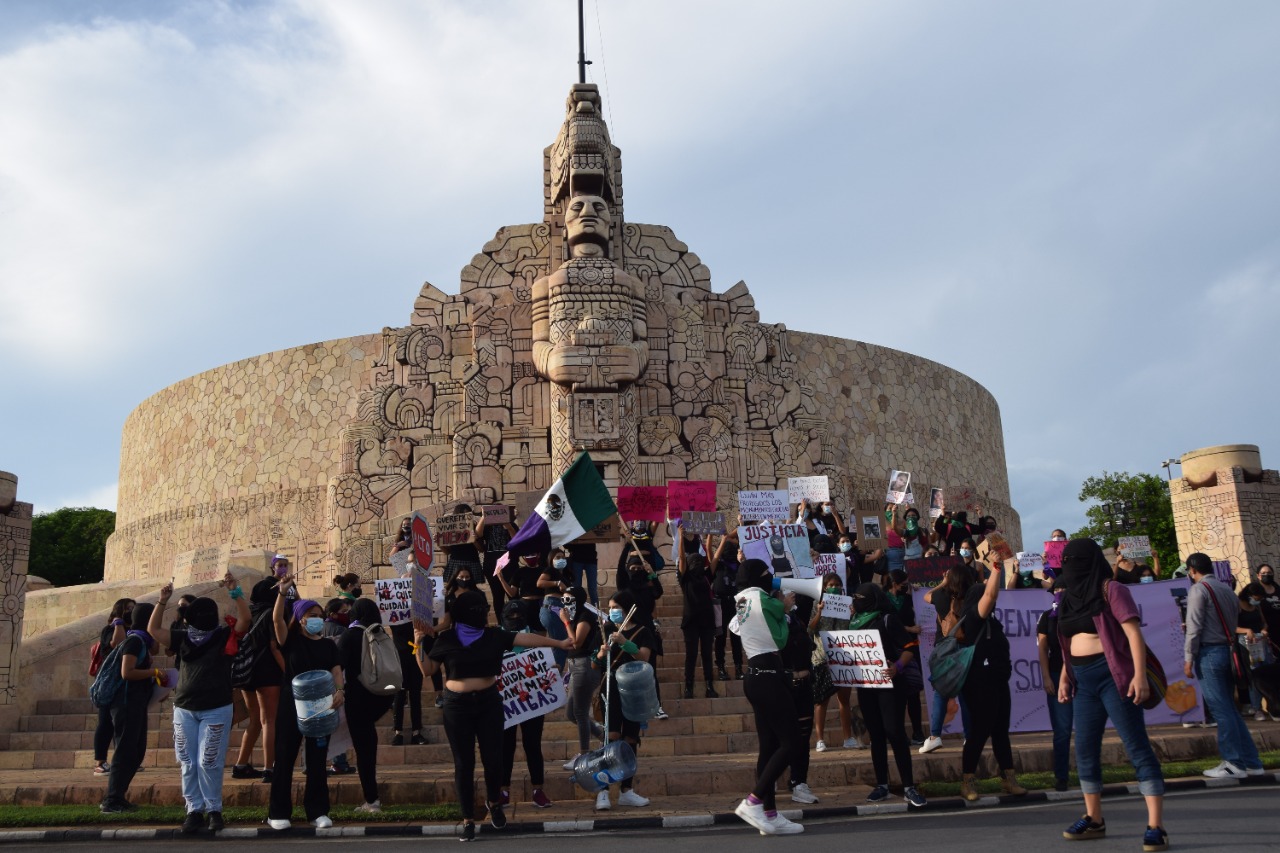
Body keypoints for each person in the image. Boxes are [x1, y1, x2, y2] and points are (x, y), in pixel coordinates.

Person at [414, 591, 570, 840]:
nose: (482, 614)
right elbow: (428, 669)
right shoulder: (447, 638)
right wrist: (418, 643)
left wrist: (559, 644)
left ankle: (494, 802)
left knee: (493, 759)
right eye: (477, 610)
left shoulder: (493, 635)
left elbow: (525, 638)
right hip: (457, 708)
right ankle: (467, 819)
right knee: (463, 764)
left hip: (488, 703)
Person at [1056, 539, 1167, 851]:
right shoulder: (1067, 598)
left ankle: (1156, 826)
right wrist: (1065, 676)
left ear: (1091, 560)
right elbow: (1068, 642)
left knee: (1136, 747)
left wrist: (1140, 675)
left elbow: (1133, 634)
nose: (1070, 565)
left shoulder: (1112, 589)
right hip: (1082, 681)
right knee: (1085, 749)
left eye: (1076, 559)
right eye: (1066, 560)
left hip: (1113, 674)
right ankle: (1094, 818)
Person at [147, 575, 249, 833]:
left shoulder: (224, 635)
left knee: (209, 761)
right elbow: (154, 631)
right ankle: (194, 810)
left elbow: (246, 620)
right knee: (188, 761)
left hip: (216, 707)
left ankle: (213, 809)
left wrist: (235, 592)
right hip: (185, 709)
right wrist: (162, 601)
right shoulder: (183, 638)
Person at [267, 573, 346, 831]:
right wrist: (282, 592)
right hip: (292, 706)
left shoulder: (328, 645)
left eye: (319, 615)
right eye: (312, 615)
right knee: (285, 756)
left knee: (317, 759)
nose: (317, 619)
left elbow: (336, 671)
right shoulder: (291, 641)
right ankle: (278, 812)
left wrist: (340, 691)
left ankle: (317, 810)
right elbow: (277, 620)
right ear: (301, 618)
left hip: (322, 707)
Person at [732, 559, 804, 836]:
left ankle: (769, 813)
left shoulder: (742, 600)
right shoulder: (764, 599)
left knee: (770, 746)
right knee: (792, 742)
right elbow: (781, 641)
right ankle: (753, 802)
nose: (769, 576)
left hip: (755, 676)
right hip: (769, 677)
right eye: (765, 573)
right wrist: (785, 608)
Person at [1183, 552, 1264, 778]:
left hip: (1209, 652)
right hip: (1227, 649)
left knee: (1221, 709)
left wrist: (1188, 658)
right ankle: (1251, 762)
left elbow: (1194, 627)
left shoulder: (1198, 590)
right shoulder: (1226, 590)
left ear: (1192, 570)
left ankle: (1233, 762)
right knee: (1229, 709)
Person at [849, 583, 926, 808]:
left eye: (861, 597)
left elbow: (910, 648)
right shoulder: (853, 622)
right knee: (876, 735)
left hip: (890, 685)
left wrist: (897, 667)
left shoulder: (887, 619)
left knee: (895, 732)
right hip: (866, 686)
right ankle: (882, 784)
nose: (857, 601)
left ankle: (909, 786)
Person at [955, 557, 1026, 801]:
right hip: (979, 684)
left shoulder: (991, 621)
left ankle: (1008, 779)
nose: (993, 601)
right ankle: (967, 781)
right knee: (979, 732)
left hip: (998, 682)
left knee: (1000, 732)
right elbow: (990, 595)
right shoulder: (974, 616)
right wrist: (996, 569)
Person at [594, 589, 658, 811]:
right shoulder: (606, 629)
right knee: (610, 737)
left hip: (634, 690)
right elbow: (594, 662)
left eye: (616, 608)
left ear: (628, 610)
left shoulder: (643, 631)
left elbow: (644, 657)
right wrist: (600, 654)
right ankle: (603, 790)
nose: (612, 611)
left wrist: (624, 643)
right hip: (610, 688)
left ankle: (626, 790)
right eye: (610, 608)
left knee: (630, 738)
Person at [335, 598, 396, 813]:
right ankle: (372, 799)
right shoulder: (380, 633)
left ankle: (371, 800)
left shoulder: (351, 634)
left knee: (364, 752)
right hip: (381, 696)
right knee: (368, 744)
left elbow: (338, 664)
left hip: (358, 697)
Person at [99, 602, 159, 814]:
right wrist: (154, 673)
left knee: (136, 751)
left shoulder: (141, 641)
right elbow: (127, 672)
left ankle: (118, 796)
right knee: (125, 751)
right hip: (125, 703)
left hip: (136, 702)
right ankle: (112, 799)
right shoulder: (134, 641)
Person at [498, 601, 553, 809]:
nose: (515, 619)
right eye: (510, 616)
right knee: (505, 747)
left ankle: (538, 790)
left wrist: (551, 669)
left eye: (518, 615)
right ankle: (503, 791)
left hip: (532, 701)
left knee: (533, 745)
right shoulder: (496, 639)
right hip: (505, 703)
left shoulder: (536, 639)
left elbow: (545, 665)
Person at [231, 577, 286, 782]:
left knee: (255, 720)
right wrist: (288, 671)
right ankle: (269, 768)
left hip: (247, 672)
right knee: (269, 720)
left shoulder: (248, 613)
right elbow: (274, 647)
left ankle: (241, 764)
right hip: (268, 672)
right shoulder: (272, 613)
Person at [918, 566, 972, 754]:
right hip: (966, 650)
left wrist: (943, 583)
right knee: (966, 696)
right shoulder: (972, 597)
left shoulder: (941, 596)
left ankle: (935, 737)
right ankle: (969, 737)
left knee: (941, 694)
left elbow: (926, 596)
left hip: (945, 650)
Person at [811, 573, 862, 751]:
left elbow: (853, 629)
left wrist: (852, 615)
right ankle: (820, 739)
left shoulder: (847, 604)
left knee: (844, 699)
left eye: (837, 584)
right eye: (831, 585)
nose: (834, 587)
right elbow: (810, 628)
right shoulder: (817, 603)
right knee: (821, 700)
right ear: (825, 587)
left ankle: (847, 737)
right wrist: (819, 611)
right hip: (822, 657)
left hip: (842, 657)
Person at [780, 591, 818, 805]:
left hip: (803, 686)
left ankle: (799, 782)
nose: (791, 596)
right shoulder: (773, 623)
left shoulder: (797, 620)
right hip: (784, 687)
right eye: (784, 594)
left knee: (803, 737)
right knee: (782, 737)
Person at [561, 585, 603, 771]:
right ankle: (604, 736)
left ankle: (584, 754)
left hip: (585, 665)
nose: (565, 604)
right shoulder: (576, 615)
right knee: (571, 713)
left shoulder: (585, 616)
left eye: (568, 600)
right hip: (575, 666)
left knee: (580, 712)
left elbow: (576, 642)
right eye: (563, 600)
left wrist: (566, 623)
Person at [92, 598, 134, 776]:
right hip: (109, 681)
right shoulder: (109, 630)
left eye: (133, 609)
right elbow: (117, 643)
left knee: (123, 721)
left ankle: (122, 760)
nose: (131, 612)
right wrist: (118, 624)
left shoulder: (134, 631)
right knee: (105, 722)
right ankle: (100, 762)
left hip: (126, 680)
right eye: (128, 609)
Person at [1036, 590, 1073, 791]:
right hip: (1056, 674)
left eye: (1063, 589)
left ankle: (1091, 775)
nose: (1060, 593)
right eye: (1057, 590)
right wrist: (1046, 676)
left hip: (1080, 674)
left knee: (1088, 729)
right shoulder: (1046, 617)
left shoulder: (1079, 612)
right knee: (1062, 730)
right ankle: (1061, 777)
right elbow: (1042, 647)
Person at [677, 533, 718, 698]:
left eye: (700, 562)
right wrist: (680, 536)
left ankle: (709, 685)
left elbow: (714, 559)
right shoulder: (685, 578)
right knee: (691, 655)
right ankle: (689, 686)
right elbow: (681, 558)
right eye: (694, 562)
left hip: (707, 621)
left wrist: (713, 539)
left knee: (707, 654)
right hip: (691, 622)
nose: (698, 564)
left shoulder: (707, 576)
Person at [709, 530, 744, 680]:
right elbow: (711, 553)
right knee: (720, 637)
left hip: (736, 603)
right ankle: (721, 668)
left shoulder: (740, 565)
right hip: (720, 603)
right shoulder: (718, 564)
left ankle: (738, 668)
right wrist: (711, 536)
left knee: (737, 637)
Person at [1236, 583, 1272, 720]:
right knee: (1254, 674)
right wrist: (1246, 630)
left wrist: (1264, 630)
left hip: (1260, 640)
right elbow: (1232, 626)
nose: (1257, 601)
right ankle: (1256, 708)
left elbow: (1264, 622)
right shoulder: (1238, 605)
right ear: (1249, 595)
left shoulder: (1257, 606)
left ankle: (1271, 706)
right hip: (1246, 644)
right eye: (1256, 598)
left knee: (1266, 672)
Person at [479, 511, 517, 618]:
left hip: (510, 565)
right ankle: (501, 622)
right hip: (492, 566)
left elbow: (517, 540)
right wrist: (484, 516)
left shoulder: (511, 524)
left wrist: (509, 527)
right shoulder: (487, 526)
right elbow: (478, 534)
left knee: (513, 596)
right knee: (497, 595)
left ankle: (516, 621)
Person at [538, 548, 571, 666]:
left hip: (561, 607)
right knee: (560, 644)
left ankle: (556, 671)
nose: (561, 559)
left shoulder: (565, 574)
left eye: (563, 557)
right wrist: (556, 583)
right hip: (552, 606)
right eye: (557, 557)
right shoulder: (550, 570)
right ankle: (555, 674)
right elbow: (540, 583)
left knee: (561, 642)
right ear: (551, 559)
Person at [441, 504, 483, 585]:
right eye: (462, 515)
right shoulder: (450, 529)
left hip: (472, 562)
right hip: (455, 562)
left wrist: (474, 540)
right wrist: (439, 543)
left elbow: (481, 549)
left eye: (467, 515)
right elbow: (447, 552)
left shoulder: (475, 527)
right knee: (455, 589)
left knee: (471, 589)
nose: (465, 517)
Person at [566, 540, 600, 607]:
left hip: (589, 558)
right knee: (577, 588)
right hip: (578, 558)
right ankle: (576, 609)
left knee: (592, 589)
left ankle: (596, 611)